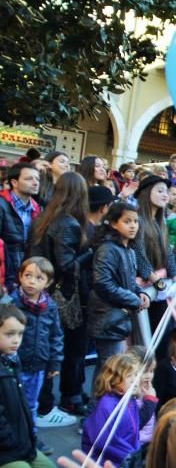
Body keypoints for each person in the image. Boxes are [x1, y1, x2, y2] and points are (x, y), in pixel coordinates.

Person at [29, 172, 92, 420]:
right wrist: (91, 252)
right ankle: (58, 403)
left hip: (42, 290)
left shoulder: (43, 217)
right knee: (68, 350)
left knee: (46, 348)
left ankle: (46, 403)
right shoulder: (68, 223)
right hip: (62, 294)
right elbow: (67, 265)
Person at [0, 305, 57, 468]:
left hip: (19, 441)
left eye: (20, 334)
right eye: (9, 334)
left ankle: (20, 463)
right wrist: (13, 444)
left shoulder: (11, 360)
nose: (16, 340)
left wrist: (27, 440)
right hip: (5, 447)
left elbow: (22, 406)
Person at [87, 203, 150, 373]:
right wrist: (134, 299)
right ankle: (98, 401)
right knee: (108, 369)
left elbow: (128, 281)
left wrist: (141, 293)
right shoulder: (108, 249)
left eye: (135, 221)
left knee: (110, 368)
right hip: (107, 317)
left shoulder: (128, 250)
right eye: (127, 221)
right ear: (114, 223)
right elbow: (103, 283)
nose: (133, 226)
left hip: (117, 317)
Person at [10, 258, 65, 445]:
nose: (32, 281)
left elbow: (56, 336)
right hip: (14, 364)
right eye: (28, 276)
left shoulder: (49, 306)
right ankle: (12, 438)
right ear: (20, 276)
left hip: (38, 365)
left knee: (32, 405)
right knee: (12, 404)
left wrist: (55, 362)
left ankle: (31, 438)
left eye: (39, 278)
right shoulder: (11, 303)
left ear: (48, 282)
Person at [81, 353, 151, 467]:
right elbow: (105, 442)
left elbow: (134, 432)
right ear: (114, 379)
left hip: (125, 457)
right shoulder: (107, 407)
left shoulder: (129, 399)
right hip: (106, 464)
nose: (135, 380)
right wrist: (132, 456)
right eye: (129, 375)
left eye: (137, 374)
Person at [133, 176, 176, 336]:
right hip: (142, 288)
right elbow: (139, 256)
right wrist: (159, 284)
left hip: (160, 287)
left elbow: (168, 253)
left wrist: (175, 279)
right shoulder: (137, 220)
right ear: (146, 193)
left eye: (166, 191)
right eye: (160, 191)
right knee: (144, 337)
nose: (165, 195)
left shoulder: (161, 222)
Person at [0, 162, 41, 292]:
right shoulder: (2, 204)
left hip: (25, 272)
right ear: (14, 182)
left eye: (37, 179)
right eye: (29, 178)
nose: (35, 182)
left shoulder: (37, 208)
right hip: (5, 271)